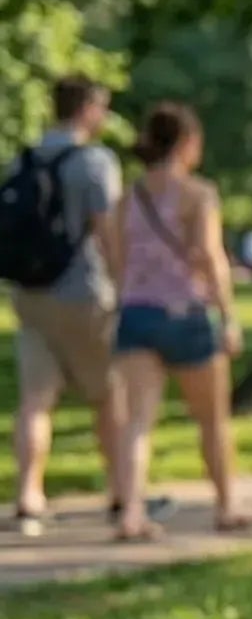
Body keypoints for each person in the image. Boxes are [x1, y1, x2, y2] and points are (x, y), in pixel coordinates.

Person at [109, 103, 252, 540]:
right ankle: (227, 503)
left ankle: (131, 511)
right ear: (188, 143)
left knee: (138, 422)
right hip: (187, 314)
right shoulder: (198, 194)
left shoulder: (127, 197)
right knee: (212, 420)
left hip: (136, 313)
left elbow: (118, 258)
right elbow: (211, 257)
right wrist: (227, 316)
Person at [5, 75, 125, 536]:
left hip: (30, 294)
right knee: (107, 394)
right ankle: (120, 492)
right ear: (88, 109)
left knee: (36, 399)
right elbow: (107, 231)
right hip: (83, 292)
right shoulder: (94, 162)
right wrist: (123, 284)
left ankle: (28, 497)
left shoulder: (27, 157)